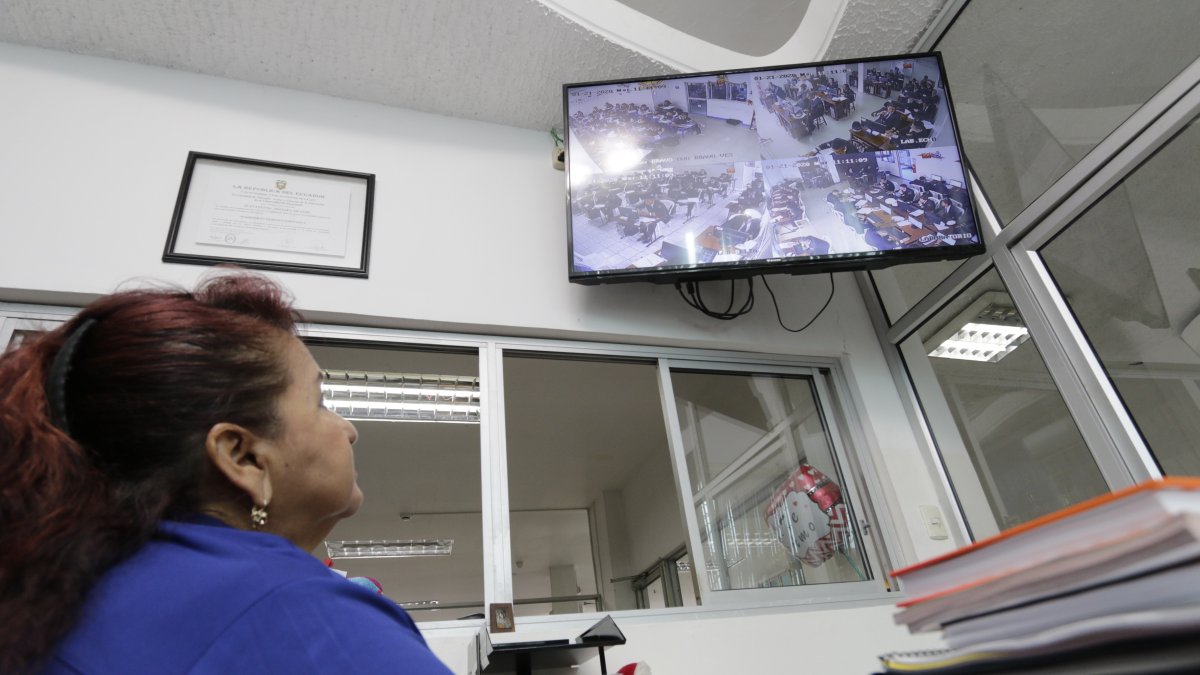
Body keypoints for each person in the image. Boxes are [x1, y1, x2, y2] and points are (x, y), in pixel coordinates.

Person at [0, 271, 453, 674]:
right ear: (242, 457)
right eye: (319, 402)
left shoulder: (60, 588)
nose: (348, 430)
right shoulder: (291, 613)